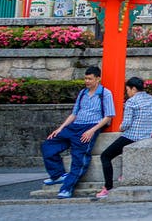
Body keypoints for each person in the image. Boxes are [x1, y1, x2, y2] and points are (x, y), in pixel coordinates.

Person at [41, 65, 115, 199]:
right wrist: (60, 128)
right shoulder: (82, 93)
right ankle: (57, 174)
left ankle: (67, 188)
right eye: (85, 78)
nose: (87, 81)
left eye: (90, 79)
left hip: (89, 127)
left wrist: (92, 131)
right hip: (74, 126)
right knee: (49, 144)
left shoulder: (105, 93)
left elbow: (108, 116)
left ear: (98, 79)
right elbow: (74, 113)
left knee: (78, 159)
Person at [96, 76, 152, 199]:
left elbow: (126, 124)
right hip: (146, 136)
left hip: (132, 136)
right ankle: (124, 175)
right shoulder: (151, 99)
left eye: (127, 90)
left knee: (105, 156)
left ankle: (107, 187)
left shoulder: (131, 101)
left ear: (133, 89)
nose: (127, 93)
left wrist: (120, 127)